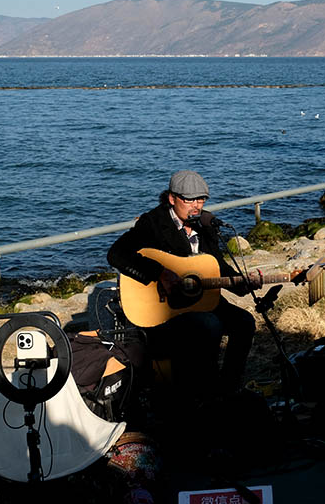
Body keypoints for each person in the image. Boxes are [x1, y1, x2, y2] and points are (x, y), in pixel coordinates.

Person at [107, 170, 256, 401]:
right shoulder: (153, 223)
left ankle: (227, 387)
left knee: (245, 322)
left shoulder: (205, 225)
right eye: (189, 200)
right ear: (172, 198)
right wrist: (160, 273)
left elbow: (217, 267)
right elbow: (117, 254)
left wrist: (242, 283)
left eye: (201, 199)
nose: (196, 206)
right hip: (165, 311)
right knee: (209, 324)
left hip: (202, 302)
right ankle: (201, 391)